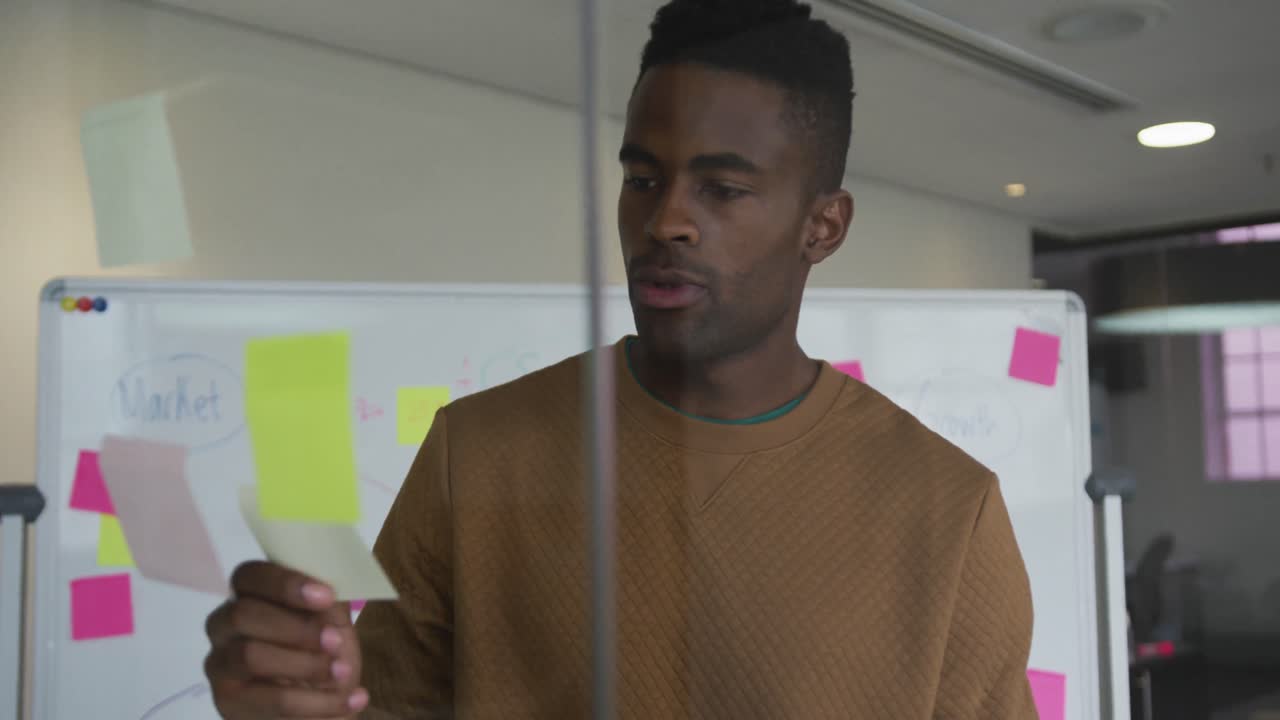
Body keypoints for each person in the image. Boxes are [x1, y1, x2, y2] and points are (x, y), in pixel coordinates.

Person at [203, 0, 1037, 717]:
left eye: (723, 188)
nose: (666, 220)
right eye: (643, 179)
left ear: (823, 226)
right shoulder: (478, 451)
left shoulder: (946, 511)